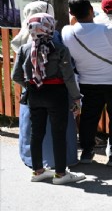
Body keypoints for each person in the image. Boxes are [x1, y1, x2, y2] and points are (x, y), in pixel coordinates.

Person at [61, 0, 112, 167]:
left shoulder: (67, 32)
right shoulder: (108, 30)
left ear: (72, 14)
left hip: (88, 81)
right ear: (91, 10)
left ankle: (87, 152)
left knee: (89, 116)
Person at [11, 13, 85, 184]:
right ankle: (60, 174)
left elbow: (15, 76)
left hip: (34, 93)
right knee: (58, 133)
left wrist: (30, 84)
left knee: (37, 133)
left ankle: (37, 171)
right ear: (50, 27)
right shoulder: (59, 49)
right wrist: (76, 98)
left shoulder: (24, 49)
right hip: (56, 94)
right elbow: (68, 77)